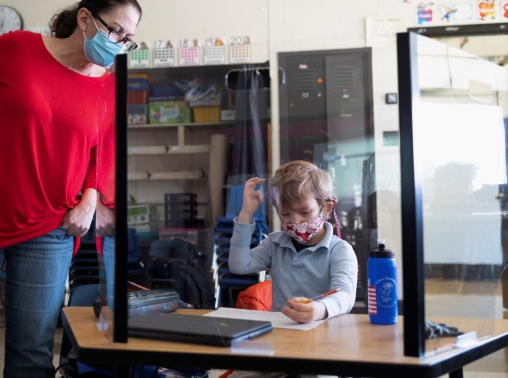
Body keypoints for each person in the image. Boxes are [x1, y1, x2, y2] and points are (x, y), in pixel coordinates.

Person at [0, 0, 142, 376]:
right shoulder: (15, 48)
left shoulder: (109, 87)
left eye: (128, 39)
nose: (119, 43)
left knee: (30, 354)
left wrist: (89, 200)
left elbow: (101, 153)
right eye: (115, 31)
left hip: (49, 227)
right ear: (84, 18)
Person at [229, 160, 358, 324]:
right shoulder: (274, 243)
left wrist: (319, 309)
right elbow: (239, 265)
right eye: (285, 214)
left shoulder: (339, 250)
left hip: (323, 334)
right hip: (281, 332)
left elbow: (345, 294)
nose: (295, 222)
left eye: (304, 212)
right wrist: (246, 213)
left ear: (325, 208)